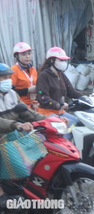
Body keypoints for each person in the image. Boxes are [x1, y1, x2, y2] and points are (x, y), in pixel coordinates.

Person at [0, 63, 44, 209]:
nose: (7, 79)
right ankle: (2, 196)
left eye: (8, 76)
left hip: (11, 135)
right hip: (5, 133)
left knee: (37, 144)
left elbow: (27, 113)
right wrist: (16, 125)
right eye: (3, 77)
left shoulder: (13, 94)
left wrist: (47, 119)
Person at [36, 47, 83, 140]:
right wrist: (58, 105)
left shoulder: (60, 74)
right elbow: (43, 97)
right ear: (52, 60)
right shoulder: (44, 75)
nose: (64, 62)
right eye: (61, 60)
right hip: (47, 113)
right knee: (63, 127)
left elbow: (71, 91)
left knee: (78, 123)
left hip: (60, 112)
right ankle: (62, 150)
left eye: (64, 60)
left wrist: (85, 98)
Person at [11, 42, 38, 111]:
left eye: (29, 53)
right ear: (17, 56)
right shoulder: (14, 70)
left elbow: (38, 88)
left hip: (34, 105)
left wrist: (39, 95)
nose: (27, 56)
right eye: (24, 54)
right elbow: (11, 92)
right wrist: (28, 90)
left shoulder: (32, 68)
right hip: (21, 106)